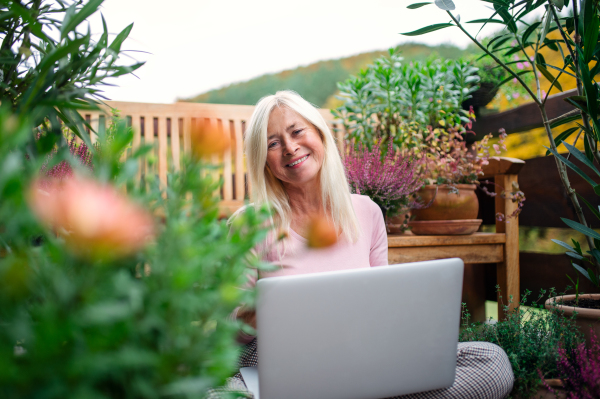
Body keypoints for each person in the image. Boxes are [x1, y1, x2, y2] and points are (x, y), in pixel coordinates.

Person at [212, 90, 514, 399]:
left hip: (360, 352)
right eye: (273, 143)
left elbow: (380, 307)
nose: (290, 148)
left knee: (492, 363)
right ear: (263, 159)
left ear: (320, 134)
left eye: (297, 131)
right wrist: (256, 310)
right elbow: (227, 335)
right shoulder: (250, 225)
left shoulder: (366, 212)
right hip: (289, 361)